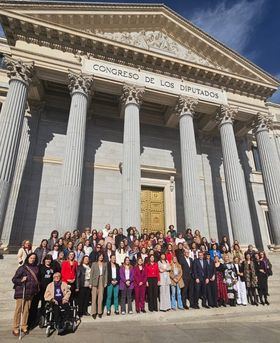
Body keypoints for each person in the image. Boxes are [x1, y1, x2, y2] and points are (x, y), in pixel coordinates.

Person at [12, 253, 39, 337]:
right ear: (28, 258)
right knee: (19, 310)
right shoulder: (22, 268)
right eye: (31, 258)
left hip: (30, 293)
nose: (32, 259)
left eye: (34, 258)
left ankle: (24, 326)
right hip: (21, 292)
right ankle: (15, 327)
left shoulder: (36, 268)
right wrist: (21, 280)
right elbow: (14, 279)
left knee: (26, 310)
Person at [89, 253, 107, 319]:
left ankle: (99, 312)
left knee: (100, 297)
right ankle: (93, 312)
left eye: (102, 256)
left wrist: (105, 282)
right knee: (94, 297)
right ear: (98, 257)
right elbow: (91, 274)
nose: (101, 257)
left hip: (102, 280)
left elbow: (106, 274)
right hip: (94, 280)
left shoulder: (105, 264)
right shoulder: (94, 264)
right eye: (100, 256)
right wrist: (90, 283)